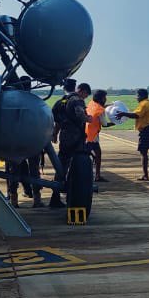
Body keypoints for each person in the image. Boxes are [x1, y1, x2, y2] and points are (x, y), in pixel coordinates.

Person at [50, 79, 91, 207]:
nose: (85, 97)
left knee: (61, 164)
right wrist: (88, 118)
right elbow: (80, 115)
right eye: (86, 94)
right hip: (75, 136)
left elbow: (57, 120)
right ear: (81, 90)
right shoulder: (76, 100)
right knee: (77, 165)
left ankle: (55, 197)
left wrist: (55, 134)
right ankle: (73, 195)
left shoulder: (62, 101)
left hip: (64, 135)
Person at [130, 88, 149, 180]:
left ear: (141, 96)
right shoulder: (148, 103)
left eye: (137, 96)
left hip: (147, 130)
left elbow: (136, 115)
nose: (137, 98)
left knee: (143, 152)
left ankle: (145, 175)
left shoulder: (143, 104)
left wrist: (123, 114)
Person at [87, 89, 109, 183]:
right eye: (104, 97)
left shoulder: (91, 103)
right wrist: (117, 122)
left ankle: (96, 175)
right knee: (97, 154)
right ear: (101, 98)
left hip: (85, 132)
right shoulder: (101, 110)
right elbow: (105, 124)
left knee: (91, 153)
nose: (106, 99)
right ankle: (97, 176)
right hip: (93, 135)